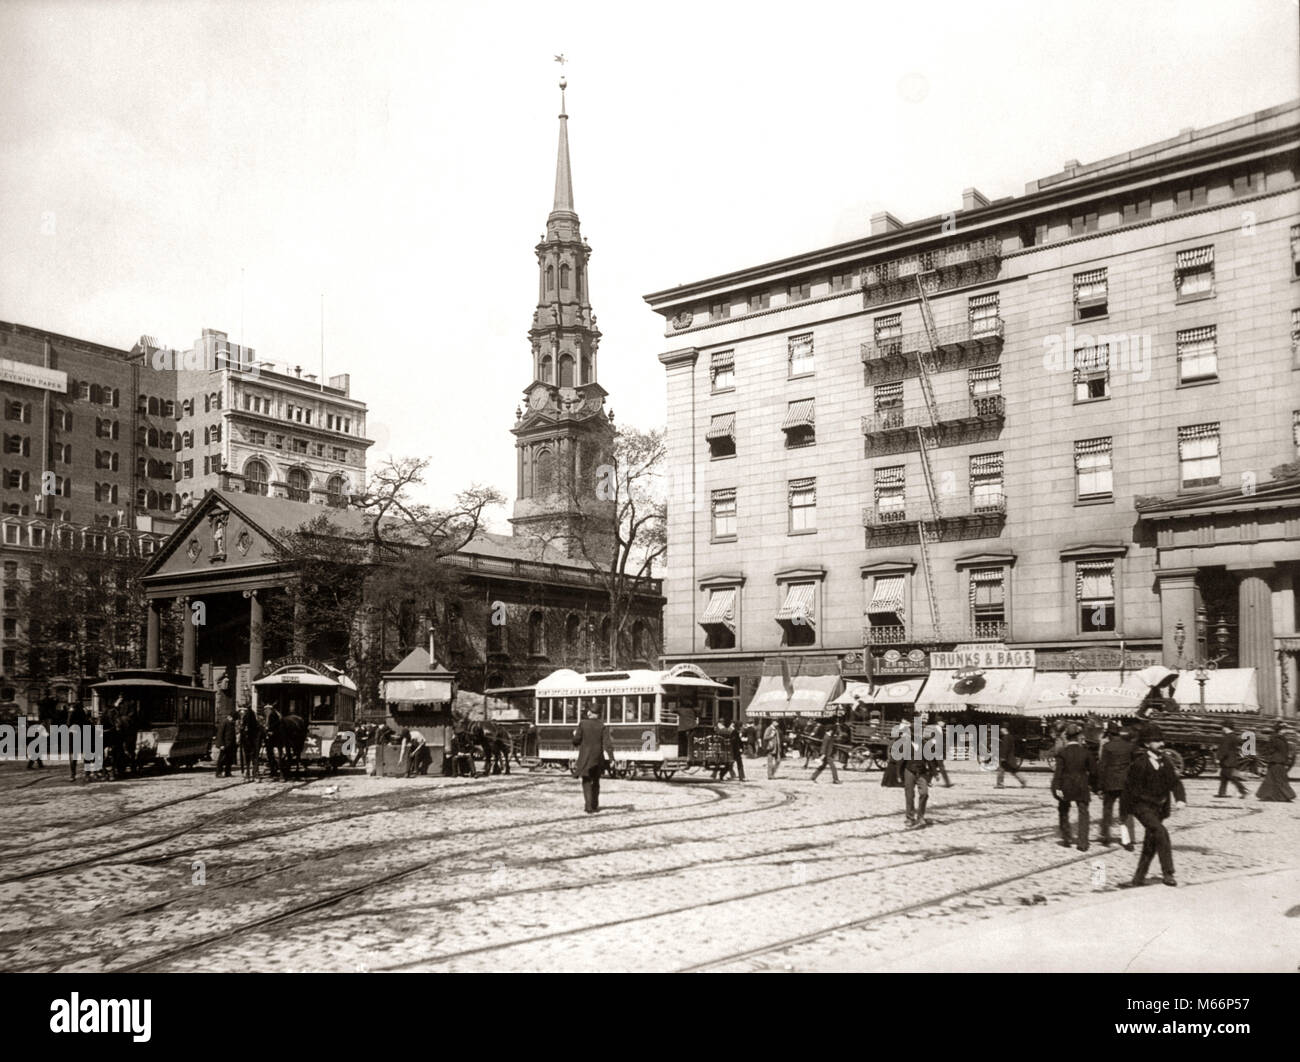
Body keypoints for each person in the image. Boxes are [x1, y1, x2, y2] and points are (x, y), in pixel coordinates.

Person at [1118, 724, 1187, 888]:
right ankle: (1168, 873)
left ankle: (1138, 877)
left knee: (1151, 841)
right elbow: (1127, 790)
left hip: (1159, 808)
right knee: (1161, 832)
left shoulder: (1166, 761)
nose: (1161, 744)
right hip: (1142, 807)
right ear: (1147, 744)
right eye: (1156, 741)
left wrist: (1180, 799)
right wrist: (1124, 815)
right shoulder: (1139, 764)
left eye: (1162, 740)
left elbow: (1175, 782)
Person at [1051, 724, 1097, 851]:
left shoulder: (1062, 753)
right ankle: (1083, 842)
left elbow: (1058, 773)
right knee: (1083, 813)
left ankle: (1066, 838)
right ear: (1078, 737)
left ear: (1066, 737)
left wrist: (1056, 788)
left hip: (1066, 785)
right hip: (1081, 785)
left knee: (1064, 810)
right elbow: (1093, 771)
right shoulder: (1086, 752)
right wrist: (1094, 787)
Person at [1098, 723, 1136, 849]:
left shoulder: (1107, 747)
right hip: (1125, 783)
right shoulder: (1129, 746)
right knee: (1125, 812)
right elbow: (1132, 765)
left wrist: (1100, 786)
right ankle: (1127, 839)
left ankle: (1106, 836)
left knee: (1107, 810)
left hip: (1110, 783)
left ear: (1109, 734)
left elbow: (1102, 767)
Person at [573, 705, 614, 813]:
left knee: (586, 781)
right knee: (596, 781)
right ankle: (595, 805)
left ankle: (588, 806)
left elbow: (576, 741)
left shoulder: (583, 724)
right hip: (598, 758)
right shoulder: (602, 726)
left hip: (585, 758)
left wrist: (574, 736)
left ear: (590, 713)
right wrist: (611, 758)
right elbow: (607, 743)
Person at [897, 723, 934, 827]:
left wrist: (932, 774)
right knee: (909, 795)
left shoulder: (925, 745)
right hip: (909, 771)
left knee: (924, 793)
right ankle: (910, 818)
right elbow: (900, 761)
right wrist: (899, 775)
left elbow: (930, 761)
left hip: (922, 772)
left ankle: (921, 816)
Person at [1256, 722, 1295, 802]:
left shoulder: (1281, 738)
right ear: (1280, 730)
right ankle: (1285, 795)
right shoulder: (1274, 738)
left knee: (1272, 779)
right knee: (1278, 779)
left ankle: (1270, 796)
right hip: (1276, 761)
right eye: (1284, 729)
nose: (1286, 731)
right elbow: (1270, 750)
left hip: (1280, 761)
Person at [1214, 722, 1248, 799]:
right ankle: (1221, 793)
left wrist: (1219, 758)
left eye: (1223, 727)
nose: (1222, 729)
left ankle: (1244, 791)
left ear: (1226, 727)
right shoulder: (1234, 736)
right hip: (1231, 759)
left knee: (1230, 776)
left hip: (1227, 760)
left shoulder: (1227, 737)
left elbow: (1224, 750)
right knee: (1224, 776)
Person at [924, 721, 952, 788]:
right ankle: (947, 783)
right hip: (935, 752)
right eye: (943, 722)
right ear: (939, 722)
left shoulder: (941, 730)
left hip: (936, 751)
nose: (944, 723)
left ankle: (928, 781)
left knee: (933, 767)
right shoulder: (936, 731)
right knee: (939, 767)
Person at [67, 702, 90, 781]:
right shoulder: (83, 712)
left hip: (74, 734)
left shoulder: (72, 711)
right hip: (84, 733)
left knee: (73, 756)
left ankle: (73, 775)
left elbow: (68, 723)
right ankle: (87, 775)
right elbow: (87, 722)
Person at [215, 709, 238, 779]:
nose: (233, 720)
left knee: (229, 759)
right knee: (221, 759)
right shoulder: (224, 722)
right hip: (224, 744)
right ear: (230, 717)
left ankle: (228, 772)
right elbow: (220, 734)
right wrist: (221, 744)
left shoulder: (231, 723)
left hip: (230, 745)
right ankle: (218, 772)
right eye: (233, 719)